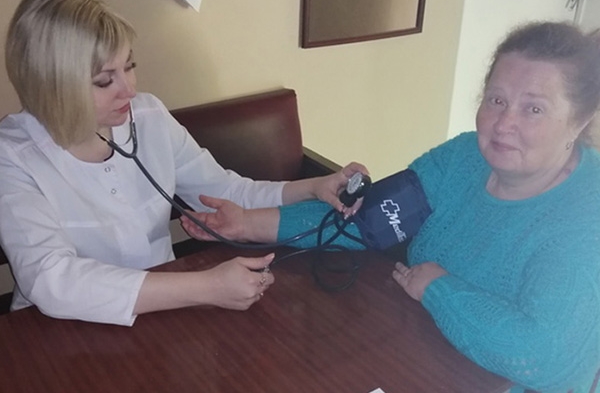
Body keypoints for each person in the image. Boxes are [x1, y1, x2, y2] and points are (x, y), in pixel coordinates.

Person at [182, 22, 600, 392]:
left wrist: (438, 287)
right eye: (496, 100)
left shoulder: (587, 217)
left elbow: (545, 360)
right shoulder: (462, 158)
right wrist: (246, 224)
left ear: (578, 121)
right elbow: (369, 222)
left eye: (533, 109)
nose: (504, 123)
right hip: (423, 354)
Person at [0, 0, 367, 326]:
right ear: (52, 84)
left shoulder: (148, 117)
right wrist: (208, 287)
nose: (129, 89)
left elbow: (225, 192)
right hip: (52, 333)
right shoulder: (12, 154)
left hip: (162, 314)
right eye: (104, 80)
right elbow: (51, 279)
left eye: (129, 65)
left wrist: (312, 187)